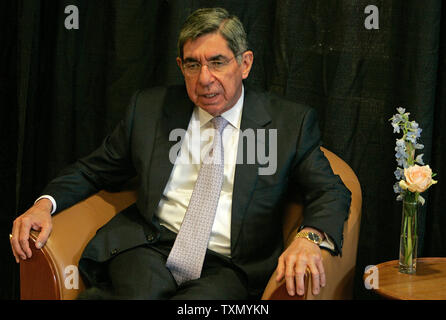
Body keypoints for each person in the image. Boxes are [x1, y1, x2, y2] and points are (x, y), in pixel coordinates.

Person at [10, 7, 351, 299]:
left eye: (217, 62)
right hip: (150, 246)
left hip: (229, 267)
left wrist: (310, 238)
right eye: (192, 65)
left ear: (245, 64)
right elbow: (93, 170)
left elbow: (330, 189)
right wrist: (44, 204)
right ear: (180, 66)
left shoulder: (288, 123)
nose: (204, 78)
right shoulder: (149, 109)